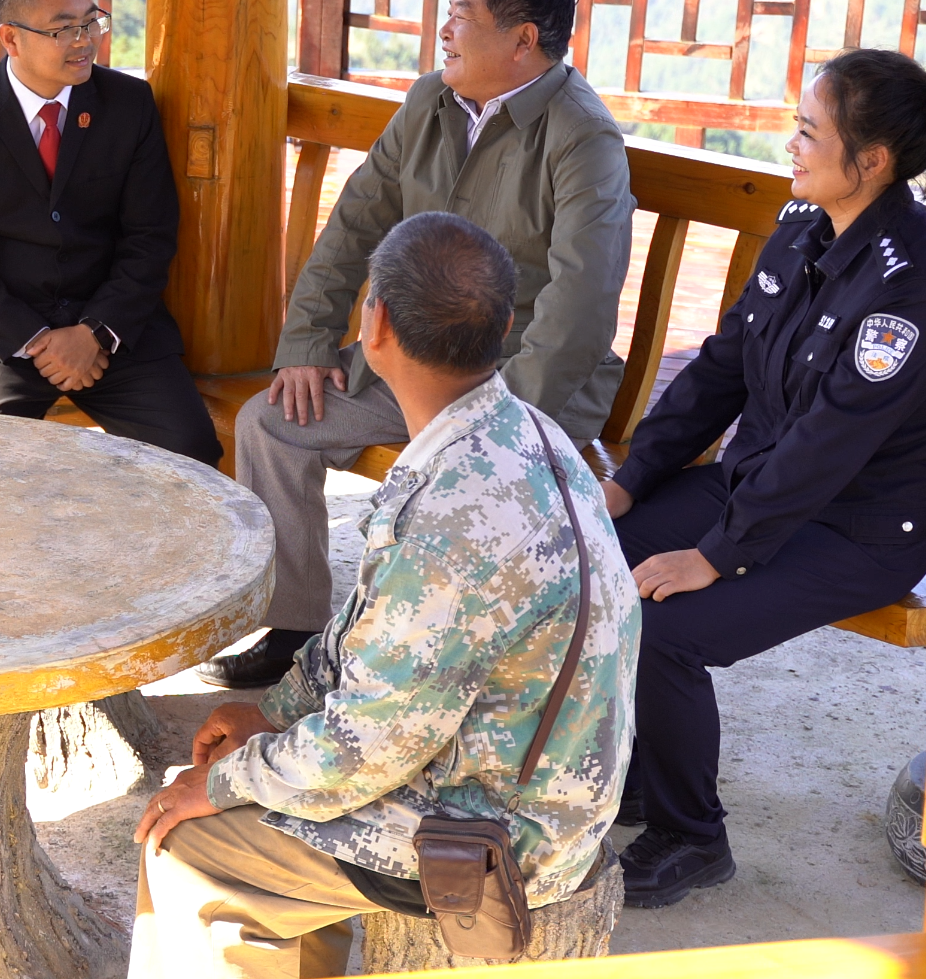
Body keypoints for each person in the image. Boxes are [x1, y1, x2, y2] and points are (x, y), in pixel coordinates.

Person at [129, 214, 641, 979]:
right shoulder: (522, 431)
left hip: (498, 835)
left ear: (376, 327)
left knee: (191, 844)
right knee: (262, 791)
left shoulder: (455, 518)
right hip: (519, 778)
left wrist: (227, 780)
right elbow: (373, 631)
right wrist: (273, 715)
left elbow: (366, 749)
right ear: (504, 327)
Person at [601, 49, 926, 907]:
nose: (792, 147)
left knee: (668, 630)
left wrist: (717, 556)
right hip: (763, 490)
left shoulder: (916, 285)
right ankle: (627, 772)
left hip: (858, 532)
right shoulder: (806, 227)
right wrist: (634, 478)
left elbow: (827, 448)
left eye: (809, 133)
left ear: (872, 161)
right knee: (592, 554)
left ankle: (691, 837)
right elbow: (721, 366)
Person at [201, 0, 634, 689]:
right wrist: (305, 341)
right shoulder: (430, 101)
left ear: (523, 38)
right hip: (407, 363)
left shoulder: (580, 135)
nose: (445, 30)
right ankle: (299, 627)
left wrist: (493, 431)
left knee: (468, 487)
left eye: (462, 15)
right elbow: (355, 224)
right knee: (271, 425)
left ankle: (448, 666)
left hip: (516, 387)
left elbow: (580, 304)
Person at [0, 0, 221, 463]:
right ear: (10, 38)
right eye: (62, 29)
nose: (84, 41)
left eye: (90, 21)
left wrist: (95, 332)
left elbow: (150, 234)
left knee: (189, 452)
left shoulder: (128, 104)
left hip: (112, 332)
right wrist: (35, 340)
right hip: (0, 337)